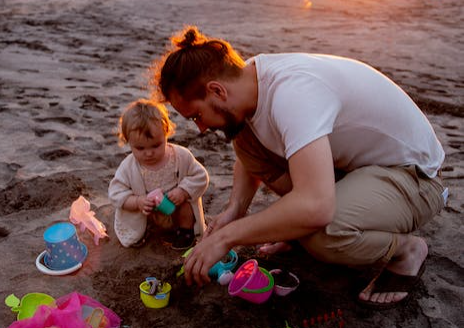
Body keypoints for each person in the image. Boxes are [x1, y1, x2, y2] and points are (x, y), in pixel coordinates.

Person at [151, 25, 448, 308]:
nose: (200, 128)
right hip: (357, 169)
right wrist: (235, 209)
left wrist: (227, 237)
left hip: (413, 176)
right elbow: (248, 154)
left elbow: (317, 207)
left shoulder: (293, 94)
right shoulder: (248, 80)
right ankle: (303, 228)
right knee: (244, 139)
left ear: (217, 91)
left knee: (322, 231)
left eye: (196, 116)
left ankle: (406, 250)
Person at [108, 98, 209, 250]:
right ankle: (144, 232)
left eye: (156, 145)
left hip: (175, 209)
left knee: (186, 206)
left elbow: (200, 176)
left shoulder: (180, 156)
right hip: (149, 212)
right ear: (128, 142)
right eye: (140, 148)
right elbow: (116, 194)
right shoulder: (128, 167)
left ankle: (185, 232)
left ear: (166, 133)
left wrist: (183, 191)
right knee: (137, 216)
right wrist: (137, 201)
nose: (149, 153)